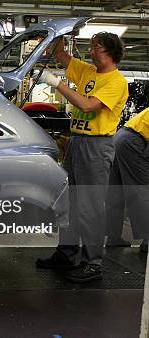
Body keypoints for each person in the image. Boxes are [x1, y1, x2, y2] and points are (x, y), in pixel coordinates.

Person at [35, 32, 128, 283]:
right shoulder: (88, 71)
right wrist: (58, 37)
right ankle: (66, 254)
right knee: (69, 203)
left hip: (97, 147)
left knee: (90, 207)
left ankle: (92, 263)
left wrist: (57, 84)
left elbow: (87, 106)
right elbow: (60, 55)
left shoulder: (116, 82)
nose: (90, 51)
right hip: (76, 141)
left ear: (107, 51)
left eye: (94, 47)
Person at [105, 107, 149, 252]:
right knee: (142, 190)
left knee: (116, 192)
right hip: (134, 142)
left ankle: (113, 237)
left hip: (120, 137)